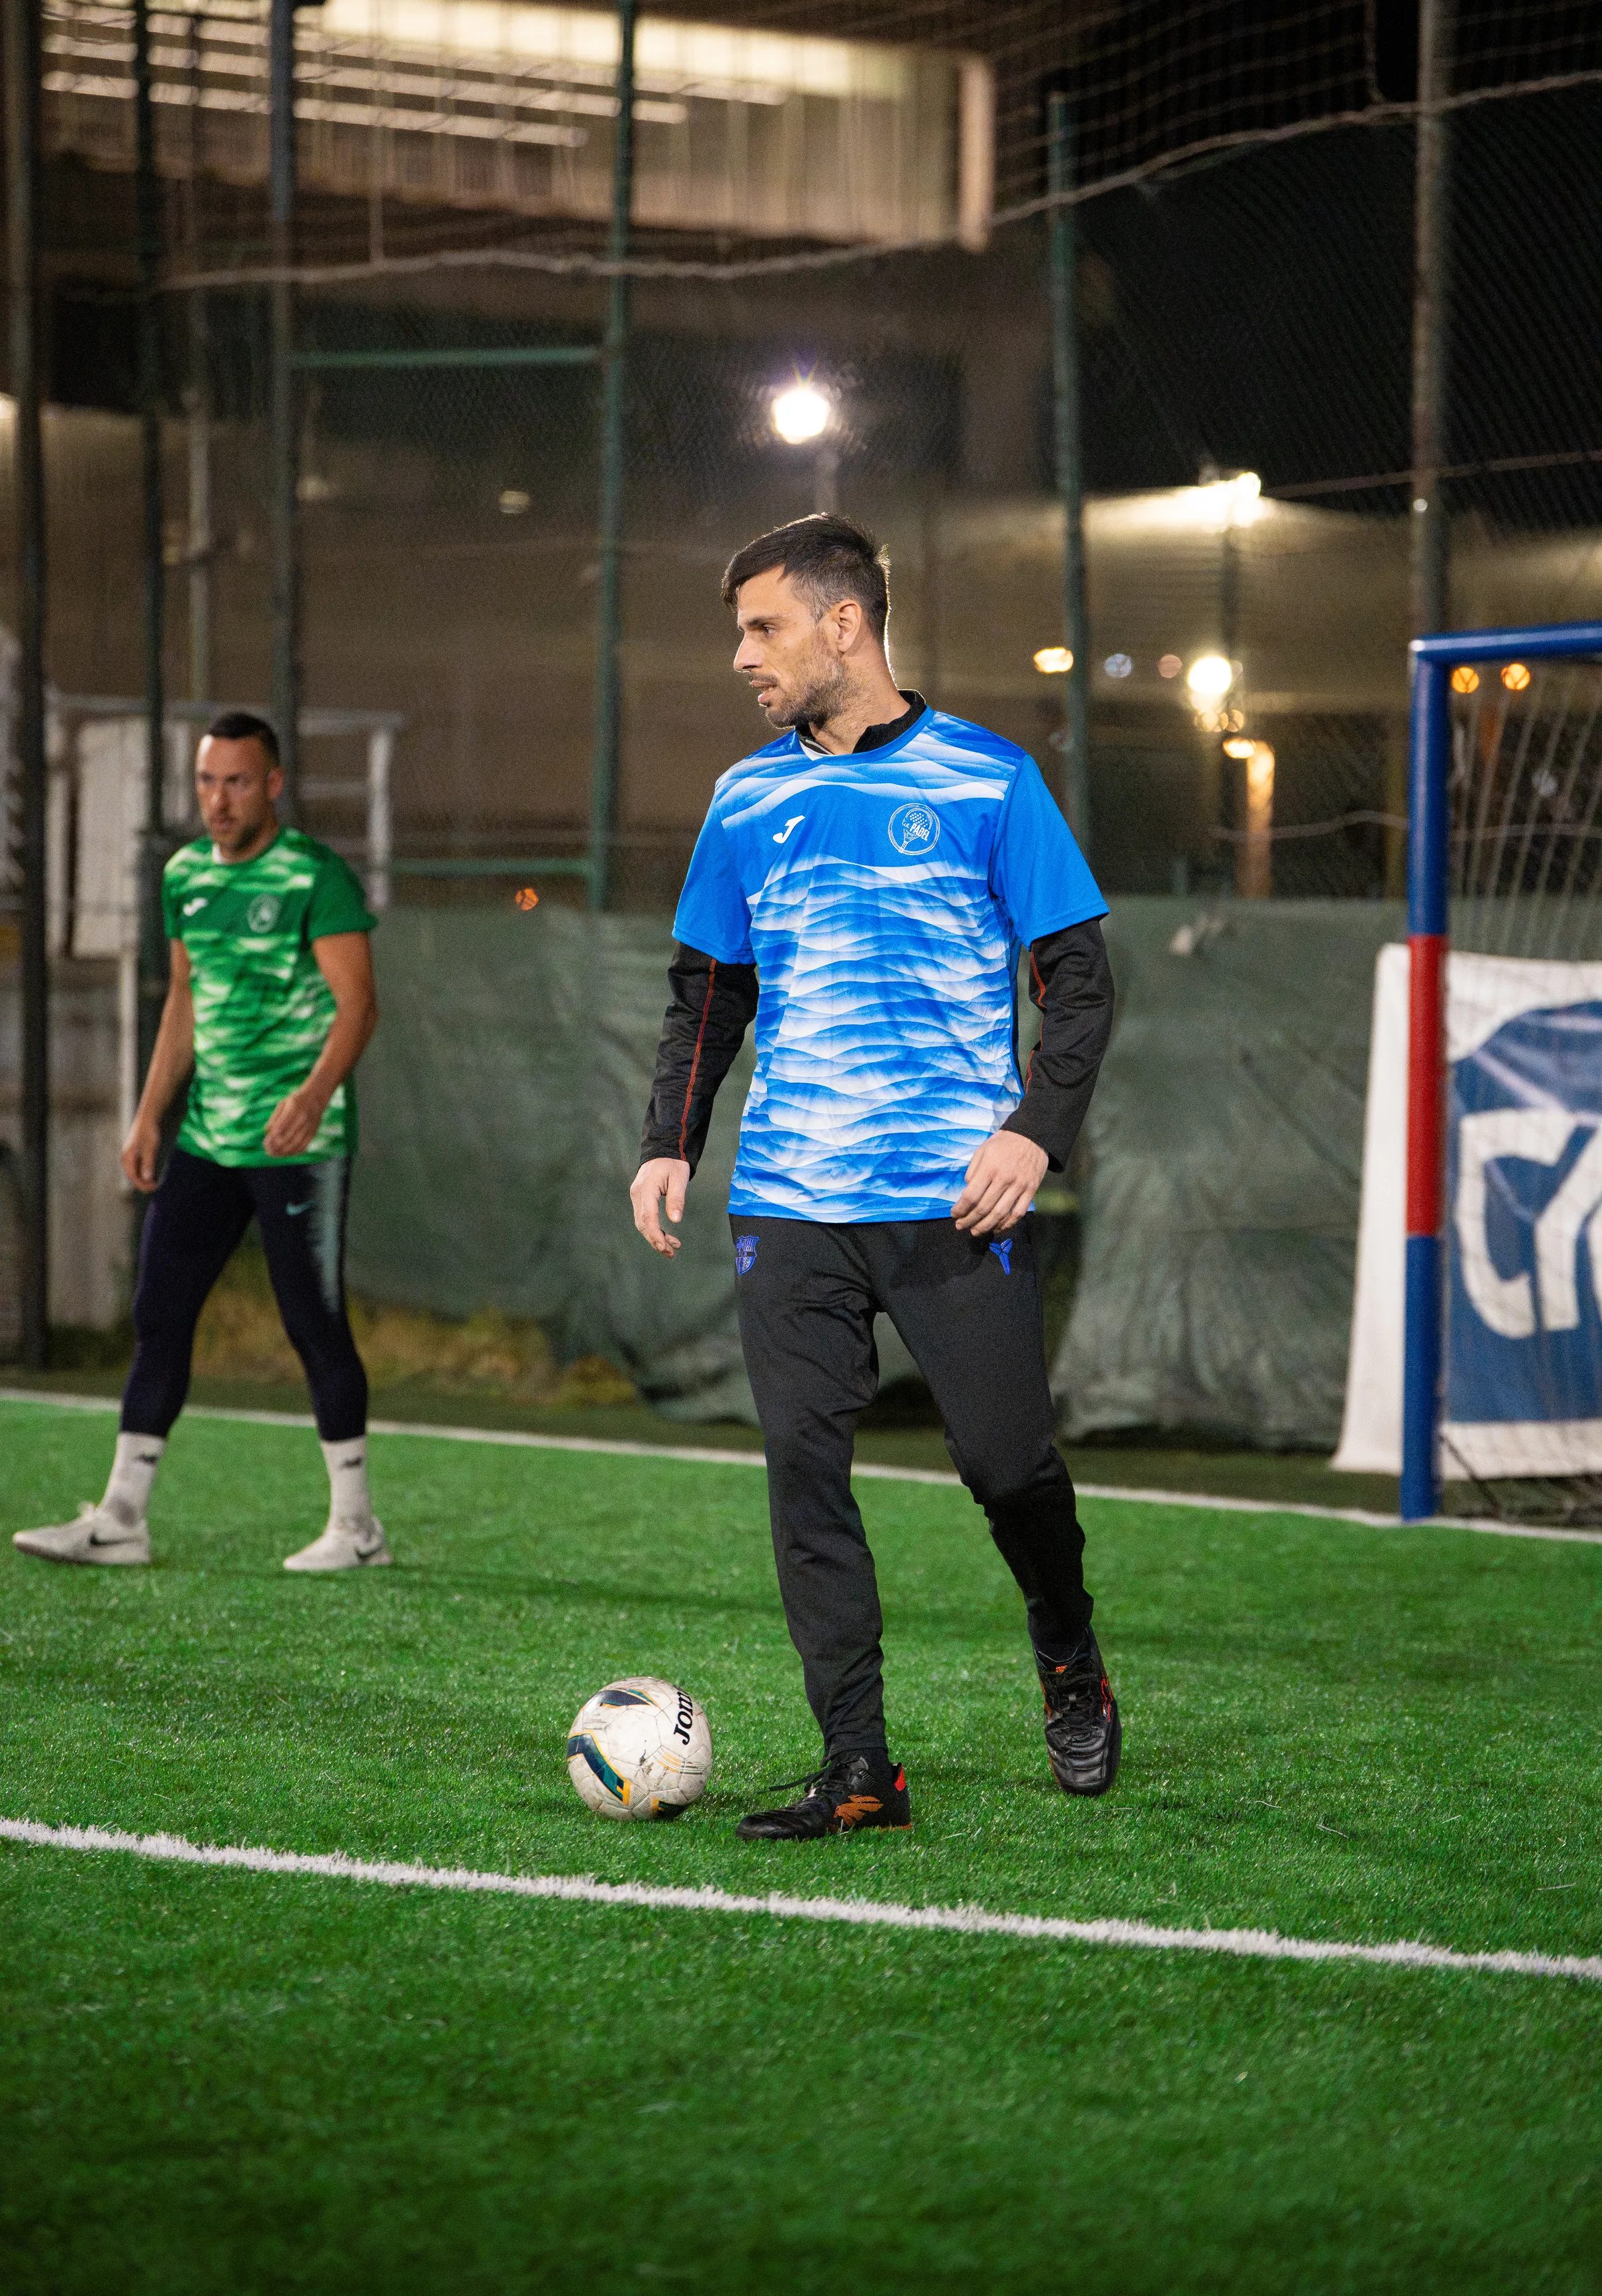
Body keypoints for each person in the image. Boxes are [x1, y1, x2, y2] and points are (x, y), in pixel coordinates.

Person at [631, 514, 1118, 1841]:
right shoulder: (745, 798)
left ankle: (1067, 1649)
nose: (743, 655)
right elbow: (709, 995)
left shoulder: (990, 779)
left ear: (844, 623)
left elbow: (1077, 989)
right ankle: (859, 1765)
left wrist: (1034, 1131)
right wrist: (669, 1141)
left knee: (1006, 1465)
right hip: (791, 1199)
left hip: (954, 1200)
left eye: (762, 626)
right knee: (803, 1464)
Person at [13, 711, 389, 1574]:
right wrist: (150, 1114)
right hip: (209, 1139)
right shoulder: (184, 875)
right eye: (207, 782)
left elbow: (359, 1004)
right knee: (159, 1312)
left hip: (301, 1142)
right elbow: (182, 998)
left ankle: (358, 1527)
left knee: (313, 1322)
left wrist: (312, 1095)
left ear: (274, 785)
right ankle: (121, 1518)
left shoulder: (313, 875)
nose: (219, 800)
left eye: (237, 781)